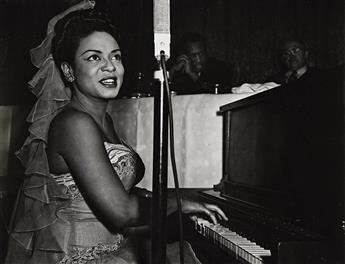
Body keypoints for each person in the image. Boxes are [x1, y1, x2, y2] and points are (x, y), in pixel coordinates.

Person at [5, 2, 228, 263]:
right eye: (94, 57)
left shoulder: (104, 120)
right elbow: (121, 212)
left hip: (116, 247)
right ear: (68, 71)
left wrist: (182, 200)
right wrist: (178, 203)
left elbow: (121, 194)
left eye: (116, 56)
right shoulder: (72, 123)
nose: (110, 66)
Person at [168, 32, 236, 95]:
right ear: (184, 55)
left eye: (201, 53)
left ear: (206, 51)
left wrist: (192, 75)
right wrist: (172, 71)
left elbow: (212, 95)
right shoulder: (180, 71)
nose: (198, 59)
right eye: (193, 55)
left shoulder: (220, 68)